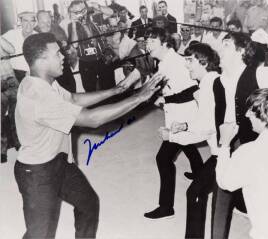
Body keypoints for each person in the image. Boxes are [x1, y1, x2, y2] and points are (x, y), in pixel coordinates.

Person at [14, 32, 163, 239]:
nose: (64, 56)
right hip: (37, 173)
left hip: (59, 162)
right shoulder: (38, 96)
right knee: (40, 234)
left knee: (88, 204)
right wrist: (139, 97)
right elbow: (92, 119)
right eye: (57, 53)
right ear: (41, 60)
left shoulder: (44, 81)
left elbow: (73, 99)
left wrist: (120, 88)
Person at [211, 29, 268, 239]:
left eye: (226, 44)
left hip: (257, 145)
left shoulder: (259, 74)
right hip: (230, 139)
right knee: (221, 195)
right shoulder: (218, 79)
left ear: (240, 51)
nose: (218, 48)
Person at [216, 88, 268, 239]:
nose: (247, 114)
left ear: (264, 117)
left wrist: (224, 145)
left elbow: (225, 182)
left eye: (251, 111)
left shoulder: (248, 152)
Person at [143, 27, 204, 219]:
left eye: (152, 42)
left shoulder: (177, 62)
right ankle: (201, 173)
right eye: (146, 41)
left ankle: (166, 207)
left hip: (184, 117)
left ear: (165, 43)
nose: (147, 45)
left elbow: (193, 89)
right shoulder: (164, 62)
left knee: (163, 158)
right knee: (187, 145)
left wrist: (165, 100)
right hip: (177, 115)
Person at [167, 43, 221, 238]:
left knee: (195, 193)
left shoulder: (210, 84)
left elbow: (207, 127)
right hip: (223, 149)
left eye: (190, 61)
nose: (186, 65)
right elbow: (205, 120)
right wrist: (184, 125)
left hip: (225, 152)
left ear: (203, 62)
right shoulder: (208, 82)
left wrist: (175, 133)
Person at [0, 36, 20, 163]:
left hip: (10, 79)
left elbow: (11, 49)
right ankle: (2, 151)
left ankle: (20, 143)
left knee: (17, 115)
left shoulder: (1, 40)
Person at [2, 11, 37, 82]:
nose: (28, 24)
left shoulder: (39, 37)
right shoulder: (11, 34)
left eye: (31, 21)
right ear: (20, 22)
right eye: (25, 21)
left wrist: (33, 72)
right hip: (12, 75)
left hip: (32, 74)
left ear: (35, 23)